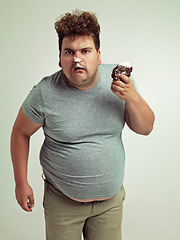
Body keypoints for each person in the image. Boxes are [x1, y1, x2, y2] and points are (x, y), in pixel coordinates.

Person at [10, 9, 155, 240]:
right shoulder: (44, 93)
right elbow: (19, 133)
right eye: (69, 52)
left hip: (110, 204)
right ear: (59, 58)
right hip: (63, 203)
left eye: (85, 51)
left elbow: (145, 128)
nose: (77, 58)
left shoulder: (120, 83)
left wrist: (132, 97)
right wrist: (21, 183)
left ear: (98, 55)